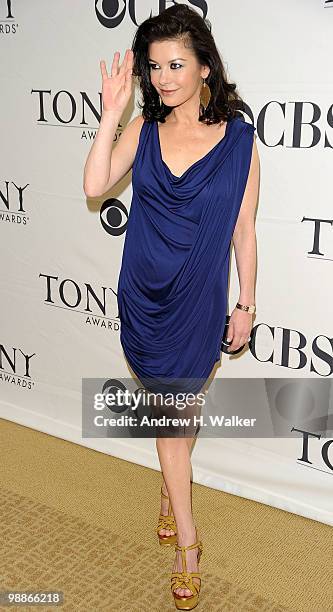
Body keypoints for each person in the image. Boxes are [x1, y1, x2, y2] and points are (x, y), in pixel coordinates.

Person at [83, 4, 260, 609]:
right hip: (145, 296)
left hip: (200, 302)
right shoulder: (145, 131)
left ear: (205, 65)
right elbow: (93, 185)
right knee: (172, 419)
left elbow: (244, 230)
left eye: (177, 64)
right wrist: (111, 116)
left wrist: (248, 302)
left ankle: (170, 494)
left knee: (175, 418)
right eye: (154, 66)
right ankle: (189, 539)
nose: (163, 77)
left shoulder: (238, 140)